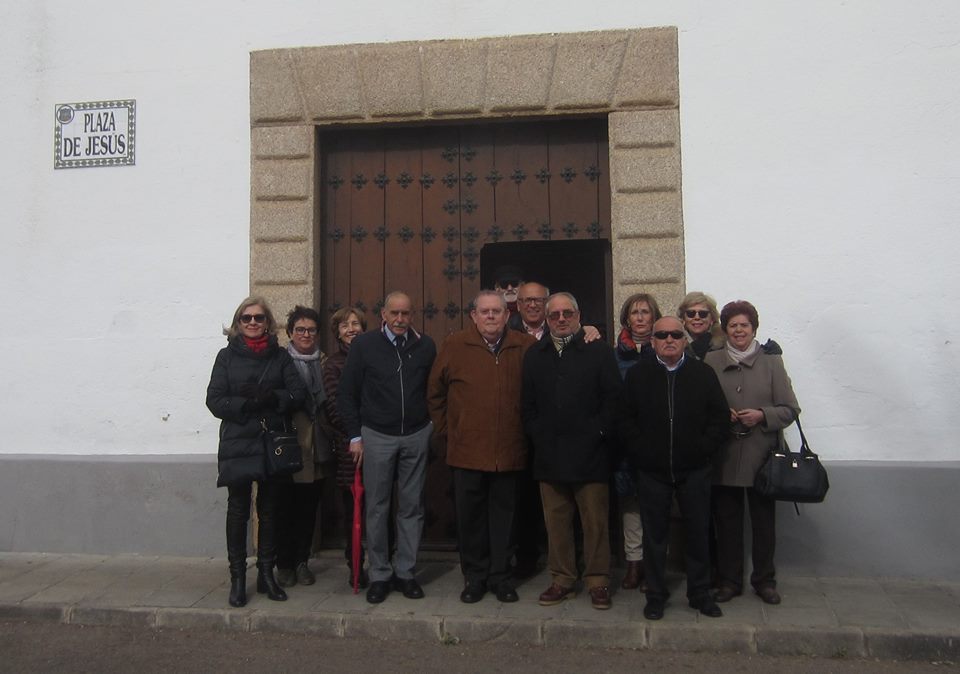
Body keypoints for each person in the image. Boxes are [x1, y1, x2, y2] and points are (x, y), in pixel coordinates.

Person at [428, 290, 536, 603]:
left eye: (497, 311)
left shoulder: (524, 346)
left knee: (505, 519)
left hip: (509, 450)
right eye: (484, 312)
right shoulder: (455, 345)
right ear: (474, 316)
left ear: (507, 316)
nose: (490, 317)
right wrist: (449, 430)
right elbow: (435, 393)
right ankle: (474, 578)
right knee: (470, 520)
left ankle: (500, 577)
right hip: (467, 451)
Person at [620, 316, 729, 620]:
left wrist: (702, 450)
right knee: (655, 537)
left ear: (684, 340)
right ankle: (655, 595)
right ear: (652, 340)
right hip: (652, 471)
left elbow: (719, 419)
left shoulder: (702, 373)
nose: (669, 339)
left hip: (694, 470)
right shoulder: (639, 375)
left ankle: (700, 593)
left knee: (697, 533)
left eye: (675, 335)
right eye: (662, 335)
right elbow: (625, 420)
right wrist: (642, 451)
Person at [522, 292, 622, 610]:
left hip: (591, 453)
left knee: (595, 522)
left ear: (579, 316)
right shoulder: (535, 354)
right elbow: (528, 404)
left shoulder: (600, 352)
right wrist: (538, 434)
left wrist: (599, 432)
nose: (561, 319)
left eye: (567, 313)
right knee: (557, 522)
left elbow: (613, 401)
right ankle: (562, 579)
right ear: (547, 320)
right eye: (555, 315)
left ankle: (597, 580)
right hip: (550, 453)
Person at [205, 296, 306, 607]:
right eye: (246, 318)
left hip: (270, 440)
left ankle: (266, 574)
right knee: (237, 510)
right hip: (238, 441)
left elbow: (297, 393)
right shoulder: (226, 357)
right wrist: (244, 404)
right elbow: (214, 399)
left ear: (267, 322)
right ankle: (238, 578)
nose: (252, 323)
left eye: (258, 318)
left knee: (270, 509)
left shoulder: (280, 357)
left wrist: (271, 398)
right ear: (237, 324)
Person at [338, 291, 437, 604]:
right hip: (377, 435)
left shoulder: (425, 346)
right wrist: (355, 436)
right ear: (383, 314)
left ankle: (406, 572)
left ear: (412, 315)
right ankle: (380, 573)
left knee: (411, 506)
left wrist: (431, 425)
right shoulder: (365, 346)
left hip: (416, 435)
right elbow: (347, 393)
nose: (399, 320)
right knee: (377, 507)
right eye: (394, 313)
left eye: (405, 314)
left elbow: (434, 389)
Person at [705, 301, 800, 606]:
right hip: (725, 456)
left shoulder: (771, 362)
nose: (739, 330)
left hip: (763, 459)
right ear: (726, 329)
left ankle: (764, 581)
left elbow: (790, 409)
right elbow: (702, 405)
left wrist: (762, 415)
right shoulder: (711, 360)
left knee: (763, 525)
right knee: (727, 524)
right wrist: (723, 415)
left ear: (754, 328)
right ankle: (730, 581)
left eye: (744, 325)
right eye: (733, 325)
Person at [275, 306, 334, 588]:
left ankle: (301, 562)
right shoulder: (280, 362)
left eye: (311, 330)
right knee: (285, 507)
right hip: (290, 445)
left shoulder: (324, 363)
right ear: (290, 333)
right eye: (300, 329)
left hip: (318, 447)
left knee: (309, 508)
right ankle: (283, 563)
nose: (306, 334)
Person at [612, 293, 663, 593]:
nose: (641, 317)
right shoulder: (615, 353)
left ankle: (655, 565)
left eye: (646, 312)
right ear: (626, 318)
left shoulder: (665, 347)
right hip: (626, 442)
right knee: (630, 504)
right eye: (635, 312)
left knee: (656, 504)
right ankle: (634, 563)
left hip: (657, 441)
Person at [321, 306, 370, 588]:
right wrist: (356, 434)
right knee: (352, 509)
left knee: (378, 508)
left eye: (356, 324)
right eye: (344, 325)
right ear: (337, 332)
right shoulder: (333, 365)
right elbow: (334, 406)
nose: (351, 329)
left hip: (375, 444)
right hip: (349, 448)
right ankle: (355, 566)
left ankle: (382, 563)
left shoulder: (372, 358)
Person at [678, 291, 723, 360]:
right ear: (683, 318)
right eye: (691, 313)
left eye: (703, 314)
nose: (697, 317)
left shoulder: (724, 343)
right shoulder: (675, 343)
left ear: (712, 319)